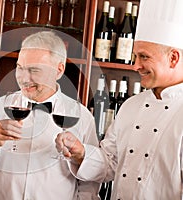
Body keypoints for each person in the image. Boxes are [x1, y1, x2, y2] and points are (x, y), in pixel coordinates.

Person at [55, 0, 183, 199]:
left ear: (173, 58)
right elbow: (110, 162)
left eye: (144, 57)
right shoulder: (131, 106)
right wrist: (81, 153)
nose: (135, 66)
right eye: (134, 56)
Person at [0, 31, 100, 199]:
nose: (24, 78)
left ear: (59, 70)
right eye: (20, 68)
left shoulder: (82, 117)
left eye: (34, 70)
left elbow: (89, 185)